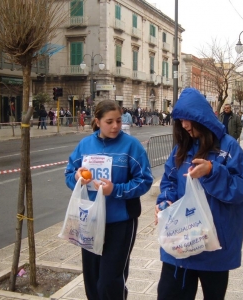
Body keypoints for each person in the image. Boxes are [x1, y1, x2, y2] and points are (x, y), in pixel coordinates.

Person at [155, 88, 243, 299]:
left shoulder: (229, 148)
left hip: (214, 246)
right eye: (180, 120)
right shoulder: (181, 149)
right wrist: (165, 202)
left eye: (188, 119)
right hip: (181, 243)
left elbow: (240, 187)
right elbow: (169, 181)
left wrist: (211, 171)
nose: (184, 125)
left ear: (201, 117)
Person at [64, 100, 153, 300]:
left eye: (119, 121)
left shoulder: (131, 146)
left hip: (120, 221)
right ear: (97, 121)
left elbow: (145, 181)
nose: (115, 126)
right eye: (109, 121)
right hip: (90, 222)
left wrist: (115, 190)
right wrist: (77, 178)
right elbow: (69, 175)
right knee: (92, 280)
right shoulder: (85, 145)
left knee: (110, 280)